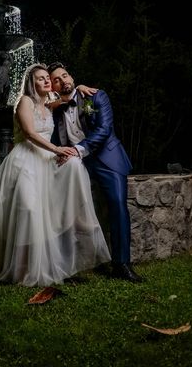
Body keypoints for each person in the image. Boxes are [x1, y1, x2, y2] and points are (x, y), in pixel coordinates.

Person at [0, 63, 111, 287]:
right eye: (40, 78)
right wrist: (56, 149)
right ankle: (21, 269)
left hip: (45, 163)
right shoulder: (24, 101)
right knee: (28, 209)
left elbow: (69, 95)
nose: (47, 81)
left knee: (55, 199)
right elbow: (28, 133)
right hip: (25, 161)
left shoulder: (50, 103)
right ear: (31, 83)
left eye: (48, 78)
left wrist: (80, 86)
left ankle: (62, 247)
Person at [48, 62, 143, 282]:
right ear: (52, 86)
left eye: (65, 75)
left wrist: (78, 150)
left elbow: (104, 129)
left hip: (106, 159)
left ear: (71, 76)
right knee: (63, 207)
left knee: (118, 205)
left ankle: (121, 264)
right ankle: (68, 264)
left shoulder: (95, 96)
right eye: (57, 79)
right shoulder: (54, 108)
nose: (63, 81)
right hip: (74, 164)